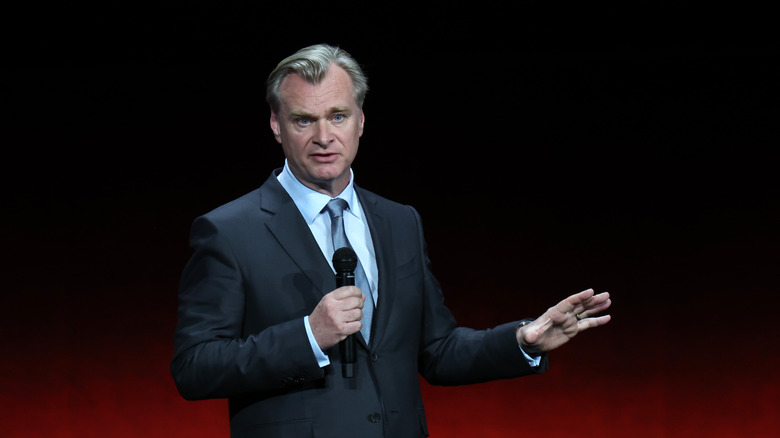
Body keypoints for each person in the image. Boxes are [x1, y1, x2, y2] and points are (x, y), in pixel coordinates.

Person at [170, 43, 612, 437]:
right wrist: (308, 335)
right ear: (276, 125)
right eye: (304, 120)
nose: (324, 137)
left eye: (337, 116)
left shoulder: (400, 221)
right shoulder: (229, 229)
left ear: (361, 120)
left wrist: (523, 339)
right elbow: (194, 368)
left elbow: (436, 351)